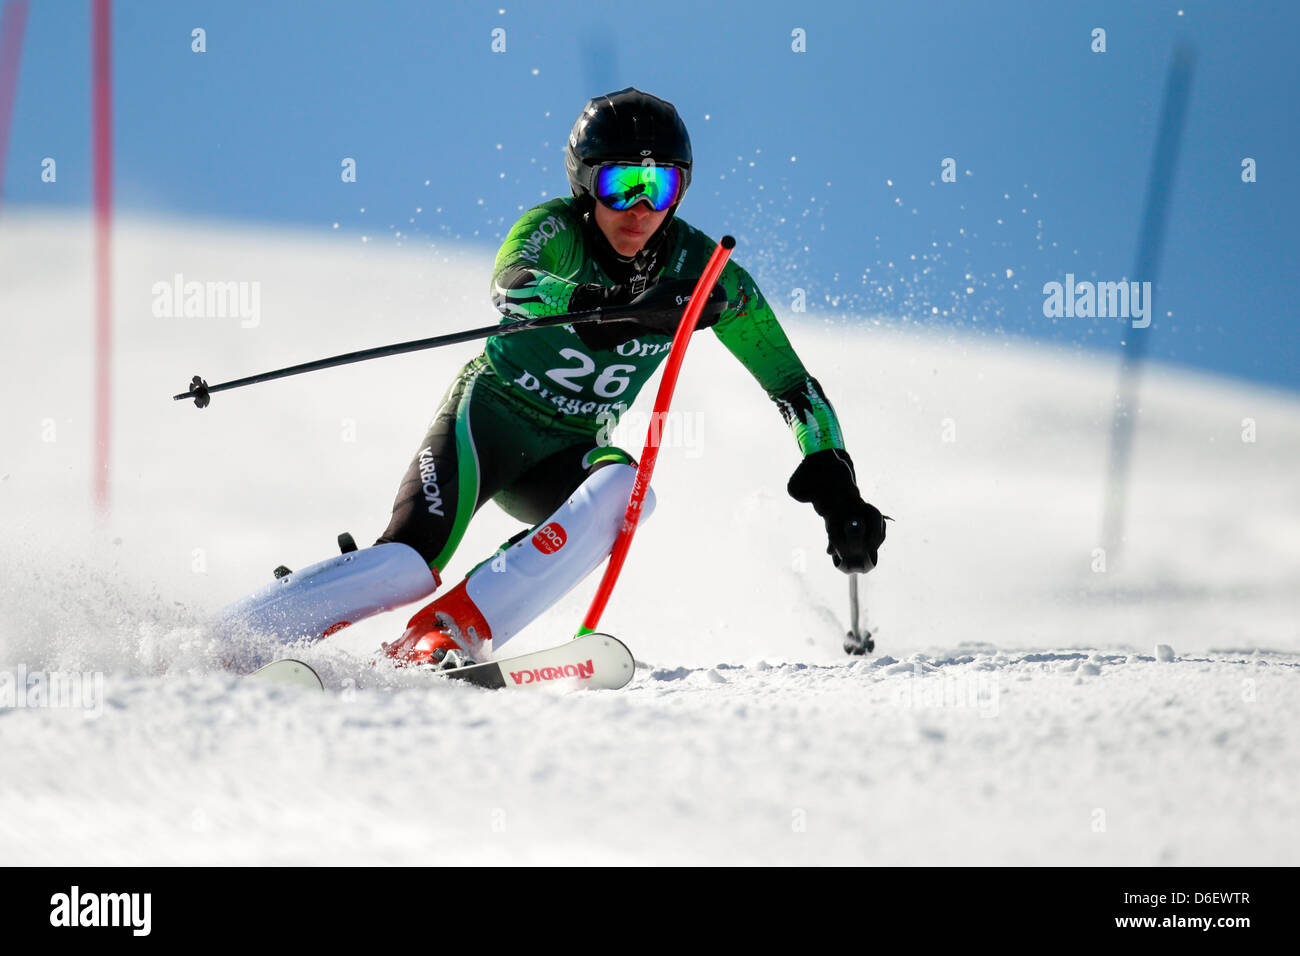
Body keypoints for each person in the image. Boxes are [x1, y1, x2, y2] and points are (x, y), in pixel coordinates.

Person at [216, 87, 886, 668]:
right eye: (619, 184)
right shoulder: (554, 229)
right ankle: (231, 638)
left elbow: (793, 386)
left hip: (567, 454)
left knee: (627, 491)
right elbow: (513, 286)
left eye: (660, 187)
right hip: (487, 424)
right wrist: (602, 307)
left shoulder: (707, 272)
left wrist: (834, 475)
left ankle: (443, 637)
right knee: (405, 565)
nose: (638, 209)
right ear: (583, 181)